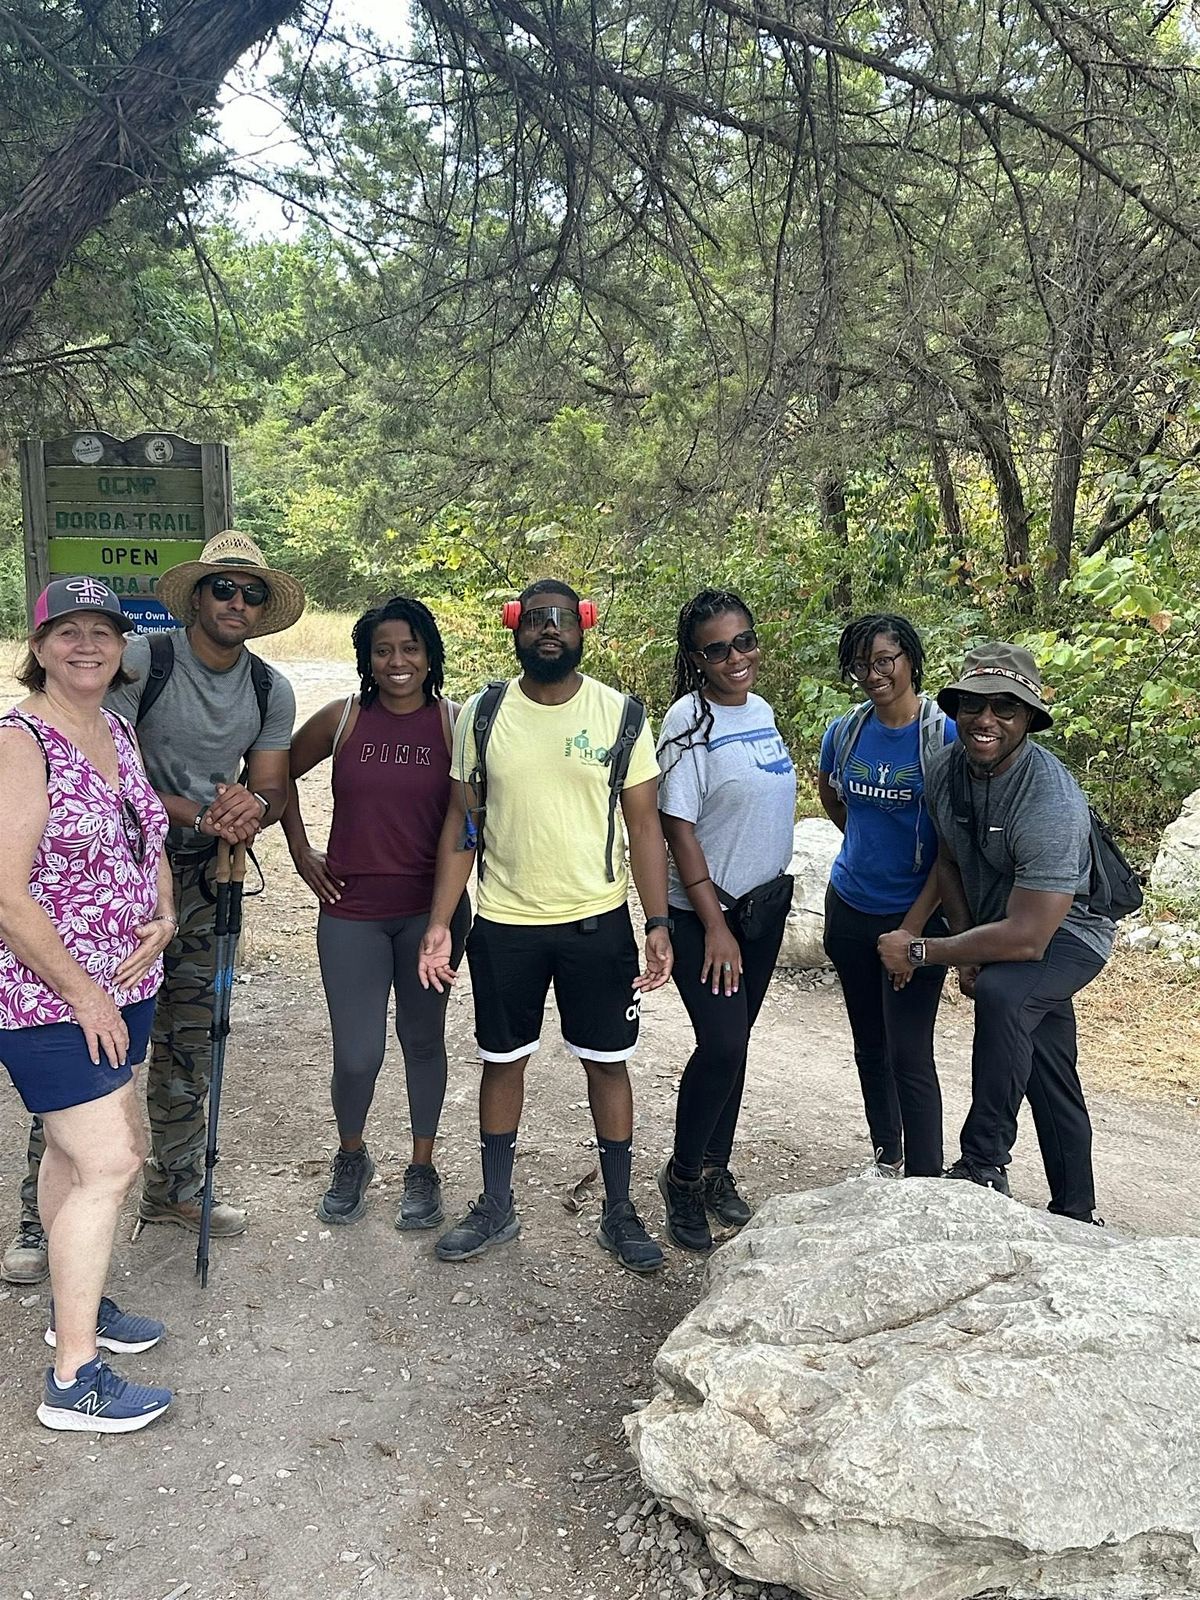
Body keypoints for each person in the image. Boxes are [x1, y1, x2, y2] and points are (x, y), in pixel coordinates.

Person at [2, 532, 302, 1283]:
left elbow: (269, 784)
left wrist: (247, 807)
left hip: (201, 881)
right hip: (94, 888)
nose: (237, 603)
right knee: (81, 1055)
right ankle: (41, 1221)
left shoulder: (270, 688)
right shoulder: (144, 663)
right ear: (196, 596)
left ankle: (175, 1188)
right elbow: (105, 772)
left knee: (190, 1038)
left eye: (252, 592)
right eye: (223, 588)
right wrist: (205, 812)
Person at [417, 579, 674, 1273]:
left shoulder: (619, 714)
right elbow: (461, 824)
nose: (550, 629)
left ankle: (618, 1210)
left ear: (584, 627)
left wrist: (656, 921)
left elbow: (645, 827)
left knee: (607, 1063)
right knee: (502, 1062)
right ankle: (496, 1205)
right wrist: (442, 921)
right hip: (504, 923)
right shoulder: (483, 713)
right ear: (514, 629)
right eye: (536, 619)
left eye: (563, 618)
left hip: (598, 923)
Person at [0, 578, 174, 1430]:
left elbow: (148, 836)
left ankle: (81, 1297)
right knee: (112, 1160)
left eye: (103, 632)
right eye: (67, 632)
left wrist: (167, 911)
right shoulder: (19, 741)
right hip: (47, 996)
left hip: (125, 980)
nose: (87, 646)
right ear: (37, 647)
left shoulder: (114, 728)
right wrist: (85, 997)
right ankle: (73, 1380)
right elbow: (6, 894)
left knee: (72, 1158)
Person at [878, 644, 1114, 1222]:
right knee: (1049, 1064)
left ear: (1029, 719)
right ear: (955, 708)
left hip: (1069, 933)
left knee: (1008, 995)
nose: (987, 720)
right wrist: (965, 947)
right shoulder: (945, 770)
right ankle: (1077, 1211)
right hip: (1002, 926)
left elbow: (1033, 938)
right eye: (973, 705)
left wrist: (922, 949)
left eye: (1006, 709)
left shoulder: (1050, 798)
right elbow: (951, 862)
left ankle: (983, 1163)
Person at [283, 596, 470, 1229]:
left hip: (430, 912)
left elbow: (469, 819)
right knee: (357, 1052)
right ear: (366, 657)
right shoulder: (343, 719)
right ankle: (352, 1155)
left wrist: (444, 915)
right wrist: (300, 848)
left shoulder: (453, 724)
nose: (397, 661)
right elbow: (275, 772)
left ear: (429, 655)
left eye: (410, 648)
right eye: (383, 649)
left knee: (422, 1039)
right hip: (352, 911)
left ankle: (422, 1166)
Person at [655, 589, 796, 1251]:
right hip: (709, 916)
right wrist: (713, 925)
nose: (737, 657)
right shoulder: (687, 720)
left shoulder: (762, 710)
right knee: (724, 1045)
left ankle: (715, 1167)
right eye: (718, 649)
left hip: (763, 910)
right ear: (696, 658)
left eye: (745, 641)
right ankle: (682, 1178)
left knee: (737, 1047)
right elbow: (677, 829)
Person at [817, 614, 957, 1180]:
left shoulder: (942, 735)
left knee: (910, 1052)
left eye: (884, 661)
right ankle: (886, 1159)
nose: (873, 674)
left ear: (910, 660)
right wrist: (863, 844)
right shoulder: (846, 731)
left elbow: (952, 847)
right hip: (850, 904)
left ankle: (924, 1180)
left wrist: (914, 929)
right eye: (862, 664)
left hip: (914, 915)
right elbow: (831, 793)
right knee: (870, 1046)